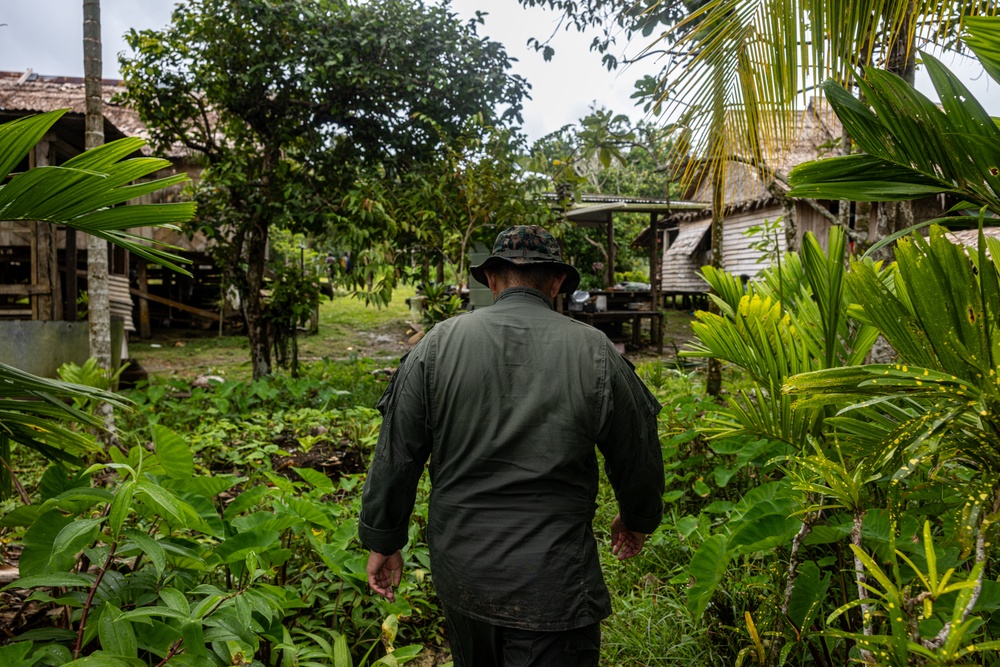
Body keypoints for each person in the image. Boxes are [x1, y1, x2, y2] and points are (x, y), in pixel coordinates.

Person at [358, 225, 664, 666]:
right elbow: (638, 450)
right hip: (554, 583)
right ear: (557, 282)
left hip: (464, 576)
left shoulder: (436, 346)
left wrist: (384, 539)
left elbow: (396, 456)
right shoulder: (596, 352)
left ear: (492, 279)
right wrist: (637, 519)